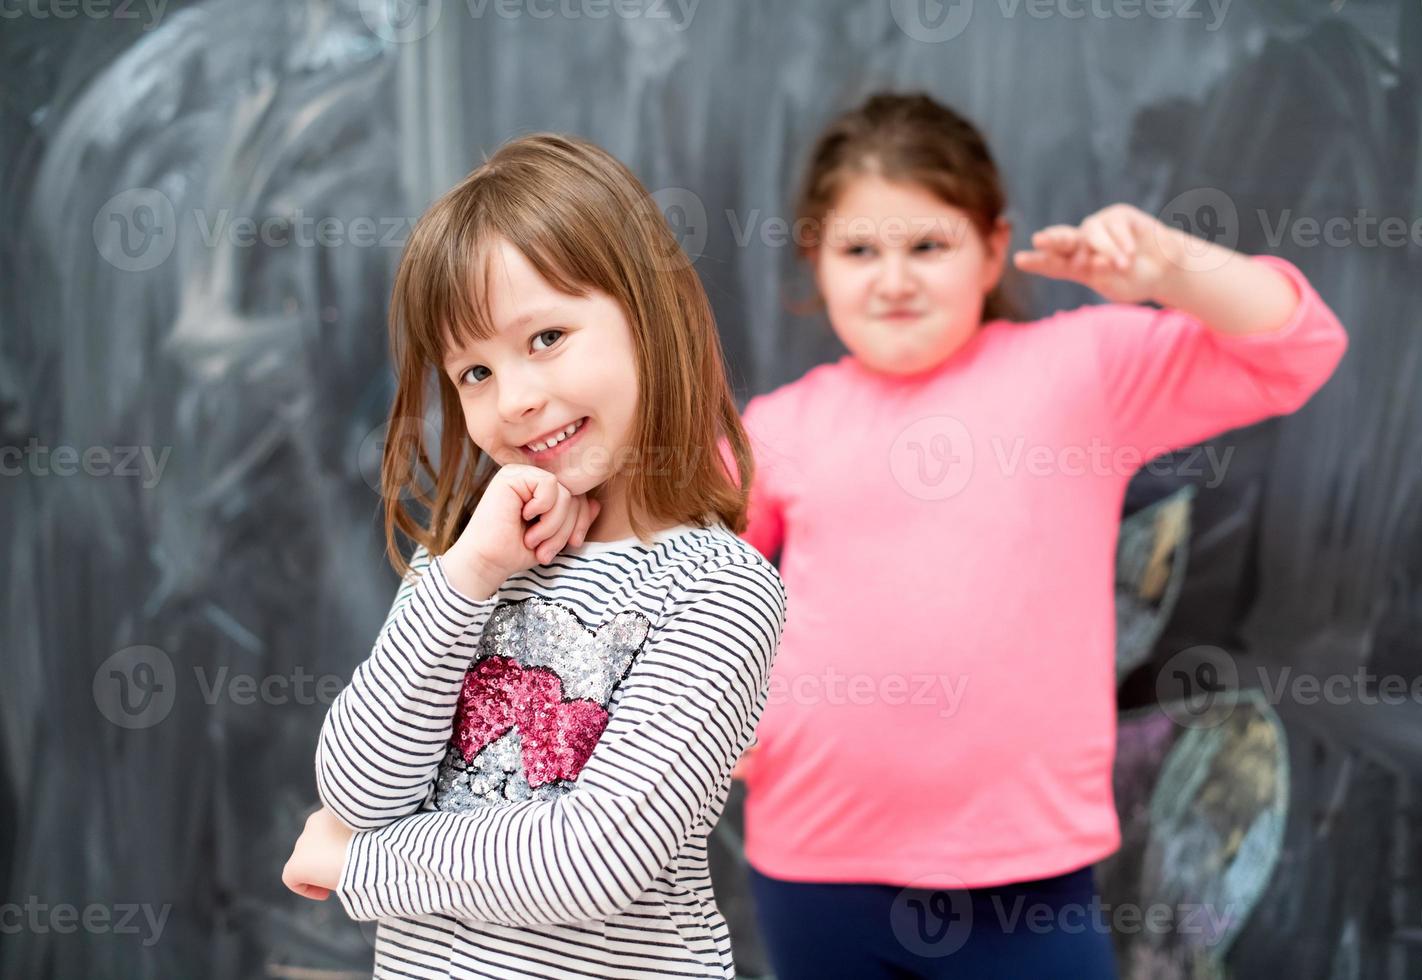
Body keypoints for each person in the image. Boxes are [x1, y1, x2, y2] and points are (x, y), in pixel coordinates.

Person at [729, 92, 1348, 979]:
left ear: (990, 248)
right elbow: (666, 571)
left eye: (927, 245)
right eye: (860, 249)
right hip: (814, 863)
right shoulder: (778, 427)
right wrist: (708, 721)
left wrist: (1170, 268)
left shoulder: (1081, 372)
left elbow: (1298, 348)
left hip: (1023, 875)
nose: (893, 278)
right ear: (814, 260)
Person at [281, 133, 787, 980]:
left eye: (546, 337)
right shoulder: (474, 562)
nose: (513, 398)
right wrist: (467, 576)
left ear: (651, 316)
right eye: (473, 372)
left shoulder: (717, 588)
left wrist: (361, 866)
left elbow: (597, 856)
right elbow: (357, 790)